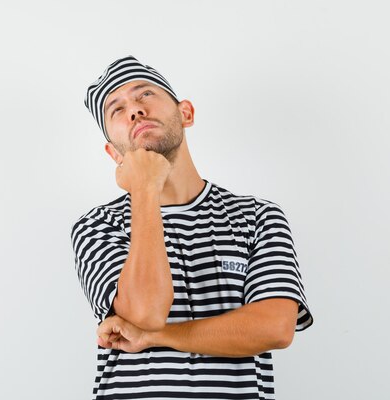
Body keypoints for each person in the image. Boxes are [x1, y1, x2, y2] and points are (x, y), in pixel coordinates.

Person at [70, 55, 314, 400]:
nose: (134, 111)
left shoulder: (257, 216)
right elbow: (145, 312)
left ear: (186, 113)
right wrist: (144, 189)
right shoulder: (97, 226)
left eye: (145, 96)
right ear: (113, 153)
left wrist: (155, 337)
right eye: (117, 110)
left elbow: (275, 327)